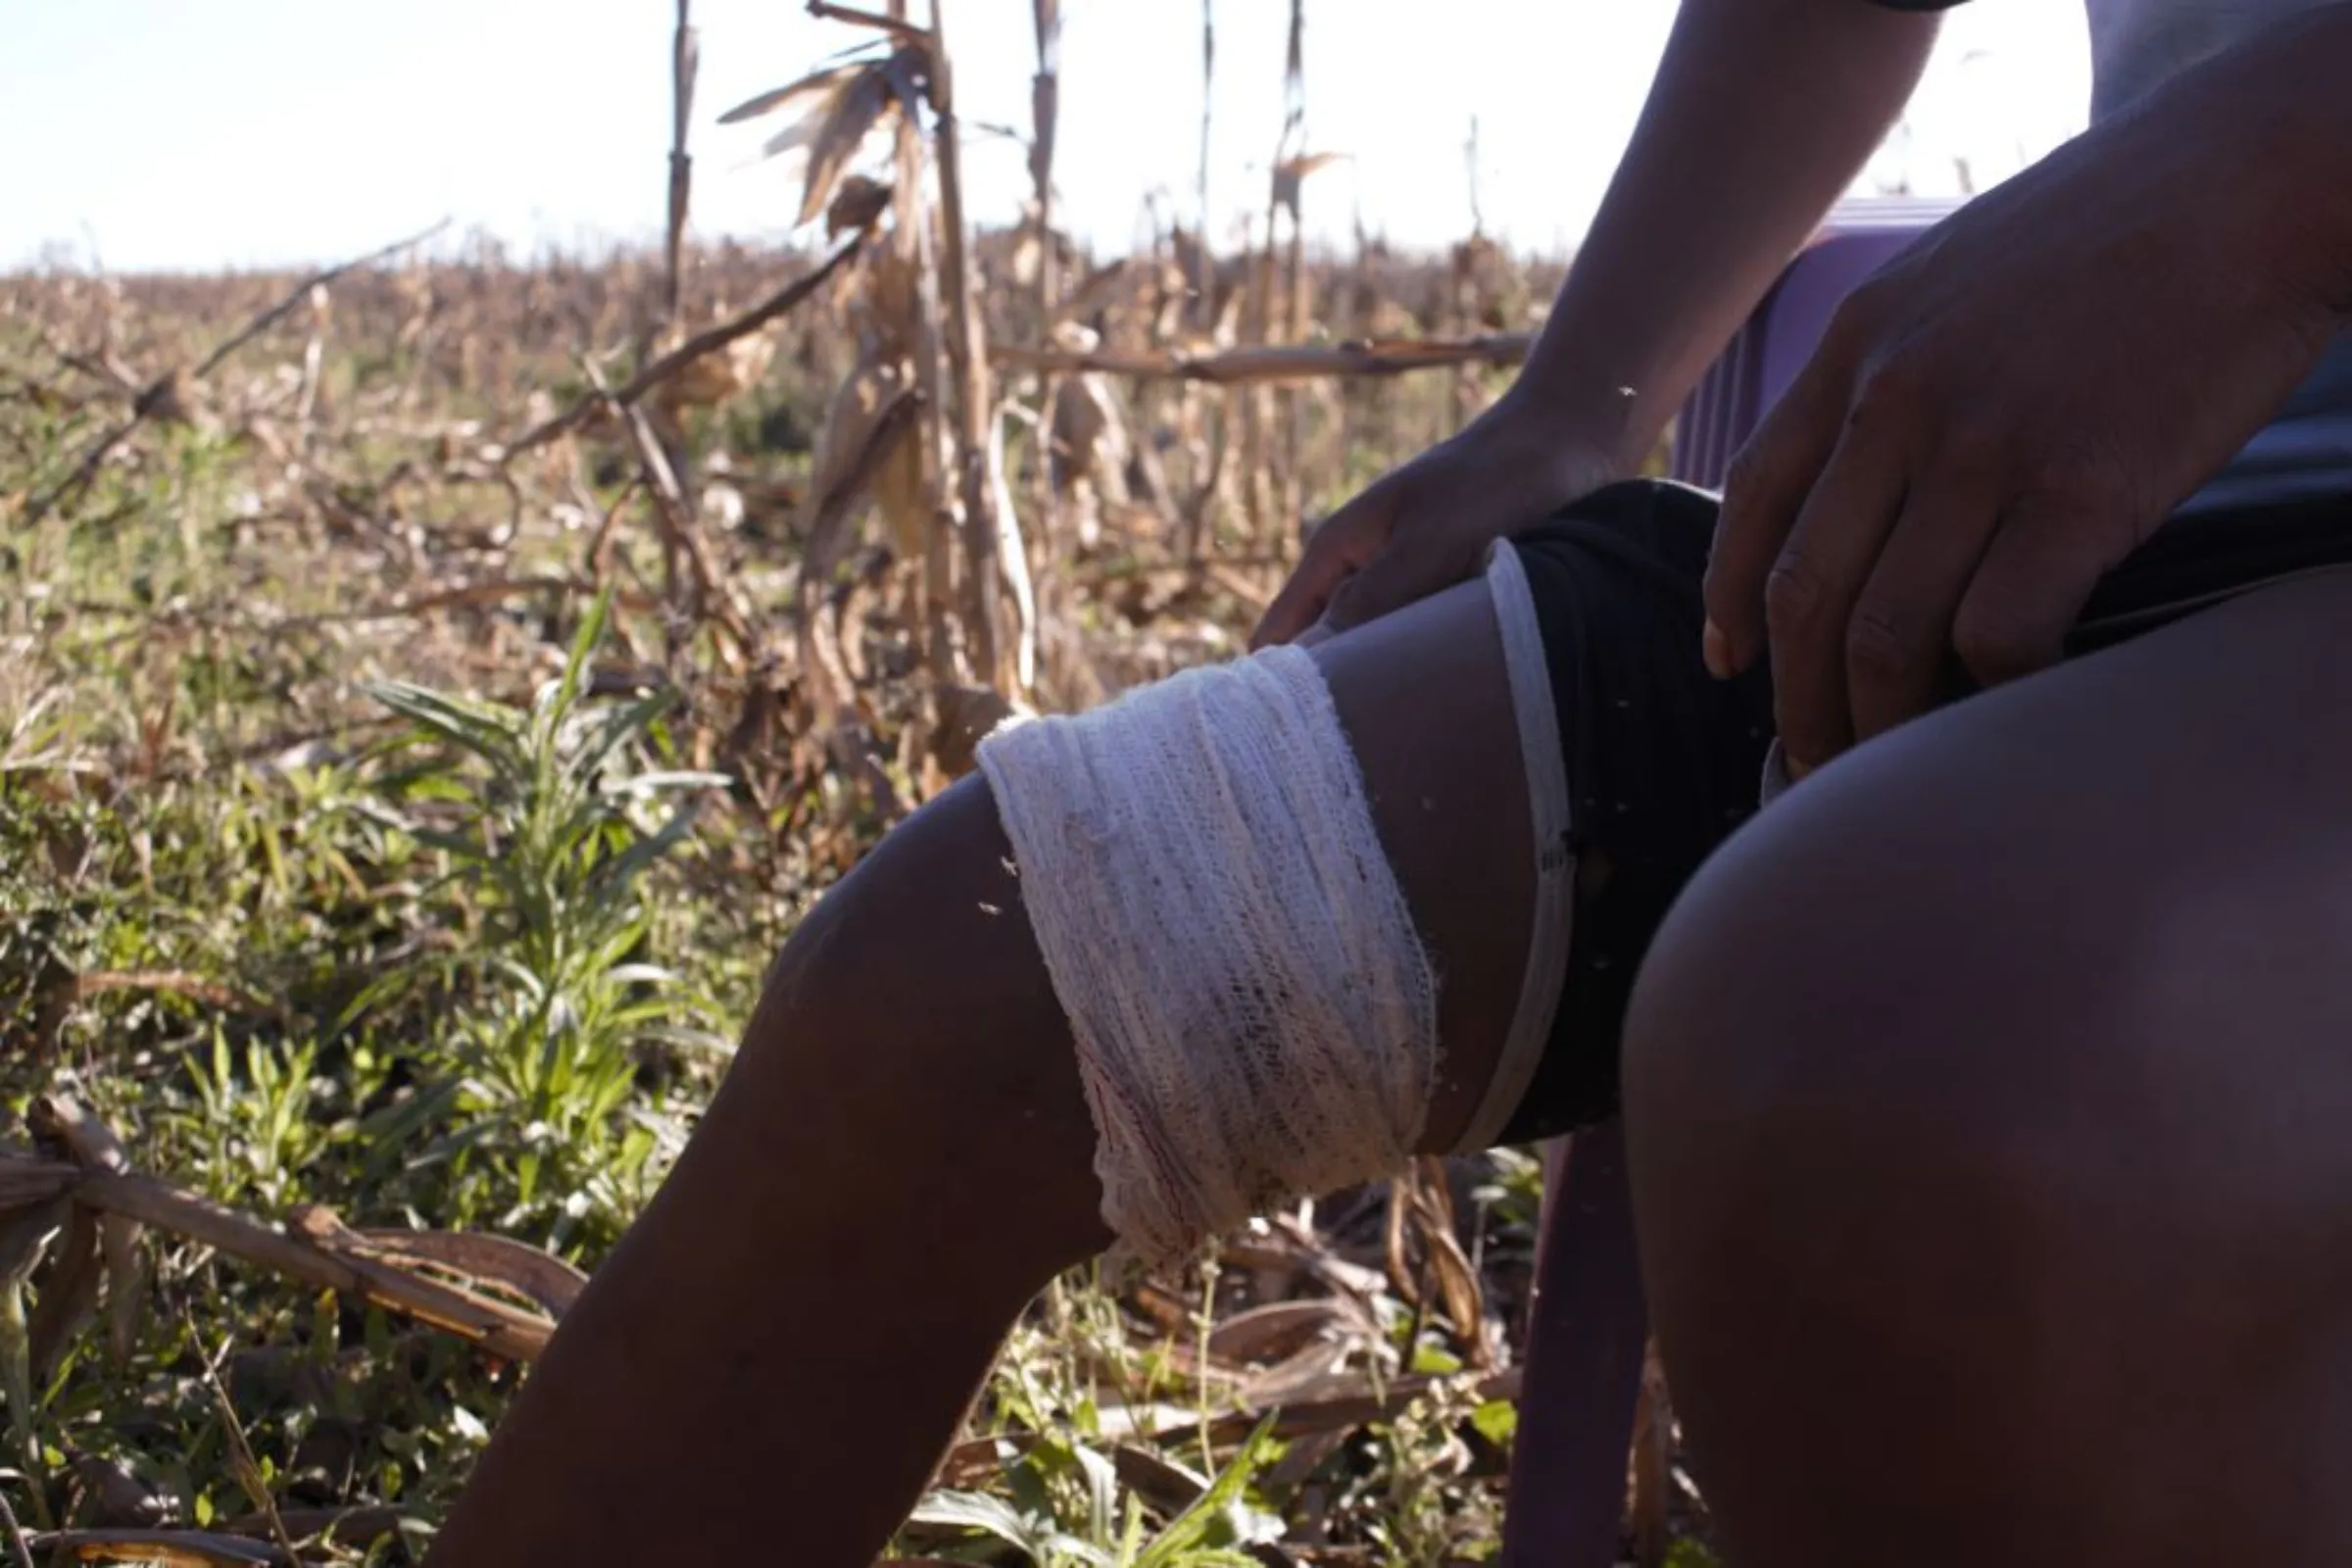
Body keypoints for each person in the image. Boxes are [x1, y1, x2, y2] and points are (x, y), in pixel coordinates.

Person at [421, 1, 2352, 1563]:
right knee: (963, 979)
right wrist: (1582, 398)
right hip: (2048, 486)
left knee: (1862, 1048)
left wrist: (2286, 162)